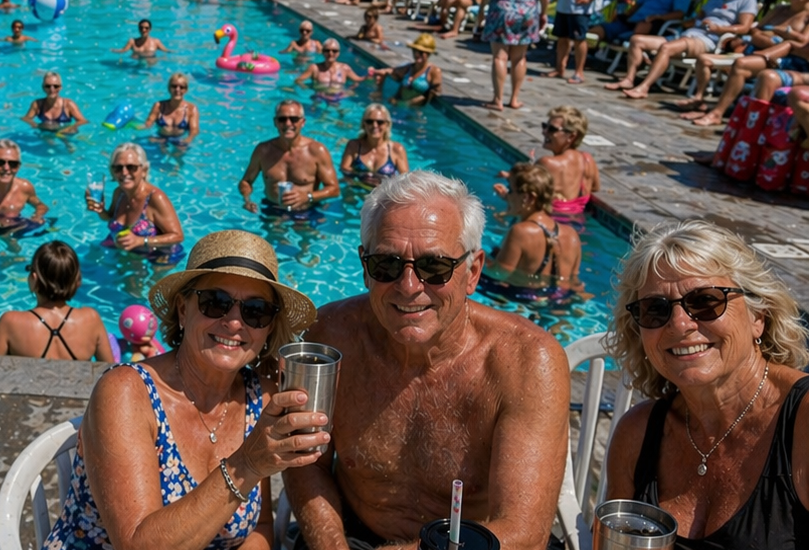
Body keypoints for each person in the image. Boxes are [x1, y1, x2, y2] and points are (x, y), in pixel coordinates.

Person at [286, 170, 569, 549]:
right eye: (386, 265)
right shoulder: (331, 337)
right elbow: (306, 463)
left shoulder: (525, 361)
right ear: (365, 268)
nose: (408, 287)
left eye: (434, 267)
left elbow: (522, 533)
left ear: (473, 272)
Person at [42, 230, 328, 549]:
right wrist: (246, 464)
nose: (235, 322)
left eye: (255, 310)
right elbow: (137, 545)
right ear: (182, 309)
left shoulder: (259, 399)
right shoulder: (126, 392)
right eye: (216, 303)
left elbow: (259, 526)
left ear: (269, 327)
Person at [602, 220, 809, 548]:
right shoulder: (637, 435)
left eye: (705, 301)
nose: (679, 324)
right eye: (655, 309)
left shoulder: (802, 422)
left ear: (758, 316)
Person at [608, 0, 758, 99]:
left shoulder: (747, 0)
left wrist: (719, 28)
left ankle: (644, 87)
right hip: (689, 34)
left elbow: (744, 27)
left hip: (708, 41)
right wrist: (689, 21)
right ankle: (629, 79)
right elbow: (699, 16)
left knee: (666, 48)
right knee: (637, 40)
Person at [679, 0, 809, 126]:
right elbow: (755, 29)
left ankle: (717, 113)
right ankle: (699, 100)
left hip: (786, 58)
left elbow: (803, 43)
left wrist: (784, 34)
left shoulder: (807, 16)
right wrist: (763, 37)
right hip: (755, 49)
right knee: (704, 59)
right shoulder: (779, 9)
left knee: (741, 64)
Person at [0, 241, 112, 361]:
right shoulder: (91, 319)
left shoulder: (11, 322)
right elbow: (114, 371)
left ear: (34, 279)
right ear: (77, 281)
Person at [480, 162, 582, 300]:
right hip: (558, 299)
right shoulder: (572, 234)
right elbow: (573, 280)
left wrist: (477, 257)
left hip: (521, 299)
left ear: (528, 197)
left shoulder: (520, 232)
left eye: (510, 190)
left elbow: (498, 273)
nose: (507, 196)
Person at [239, 99, 341, 221]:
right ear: (275, 122)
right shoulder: (263, 151)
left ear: (302, 122)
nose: (288, 124)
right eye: (282, 119)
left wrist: (308, 196)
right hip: (272, 209)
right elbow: (246, 182)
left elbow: (334, 189)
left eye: (294, 119)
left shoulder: (317, 151)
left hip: (307, 210)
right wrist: (247, 200)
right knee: (271, 232)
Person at [86, 142, 184, 265]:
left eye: (131, 167)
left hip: (159, 257)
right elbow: (110, 218)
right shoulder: (119, 193)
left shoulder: (155, 198)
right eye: (118, 168)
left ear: (144, 170)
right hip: (128, 253)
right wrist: (100, 210)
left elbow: (178, 236)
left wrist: (141, 241)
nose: (124, 173)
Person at [339, 103, 409, 187]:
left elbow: (405, 180)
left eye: (380, 122)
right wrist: (361, 175)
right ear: (364, 124)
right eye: (369, 122)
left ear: (387, 125)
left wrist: (383, 179)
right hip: (356, 189)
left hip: (383, 193)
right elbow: (344, 169)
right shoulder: (354, 146)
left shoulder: (397, 149)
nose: (374, 125)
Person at [368, 33, 442, 106]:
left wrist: (414, 102)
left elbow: (436, 92)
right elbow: (386, 72)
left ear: (429, 53)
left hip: (414, 110)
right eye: (414, 50)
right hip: (397, 104)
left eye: (421, 52)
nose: (417, 54)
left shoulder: (433, 71)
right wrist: (379, 91)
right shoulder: (407, 68)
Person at [142, 72, 201, 147]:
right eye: (174, 86)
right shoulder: (159, 106)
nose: (177, 89)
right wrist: (135, 126)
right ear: (169, 88)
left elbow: (194, 131)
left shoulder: (191, 109)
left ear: (186, 90)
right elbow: (148, 124)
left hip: (180, 140)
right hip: (160, 138)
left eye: (181, 87)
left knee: (179, 152)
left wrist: (187, 140)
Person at [21, 72, 87, 133]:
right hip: (46, 132)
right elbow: (26, 119)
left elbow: (83, 121)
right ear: (43, 88)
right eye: (48, 86)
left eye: (55, 86)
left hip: (65, 133)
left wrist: (70, 128)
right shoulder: (37, 104)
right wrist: (36, 125)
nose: (52, 89)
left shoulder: (68, 104)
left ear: (60, 87)